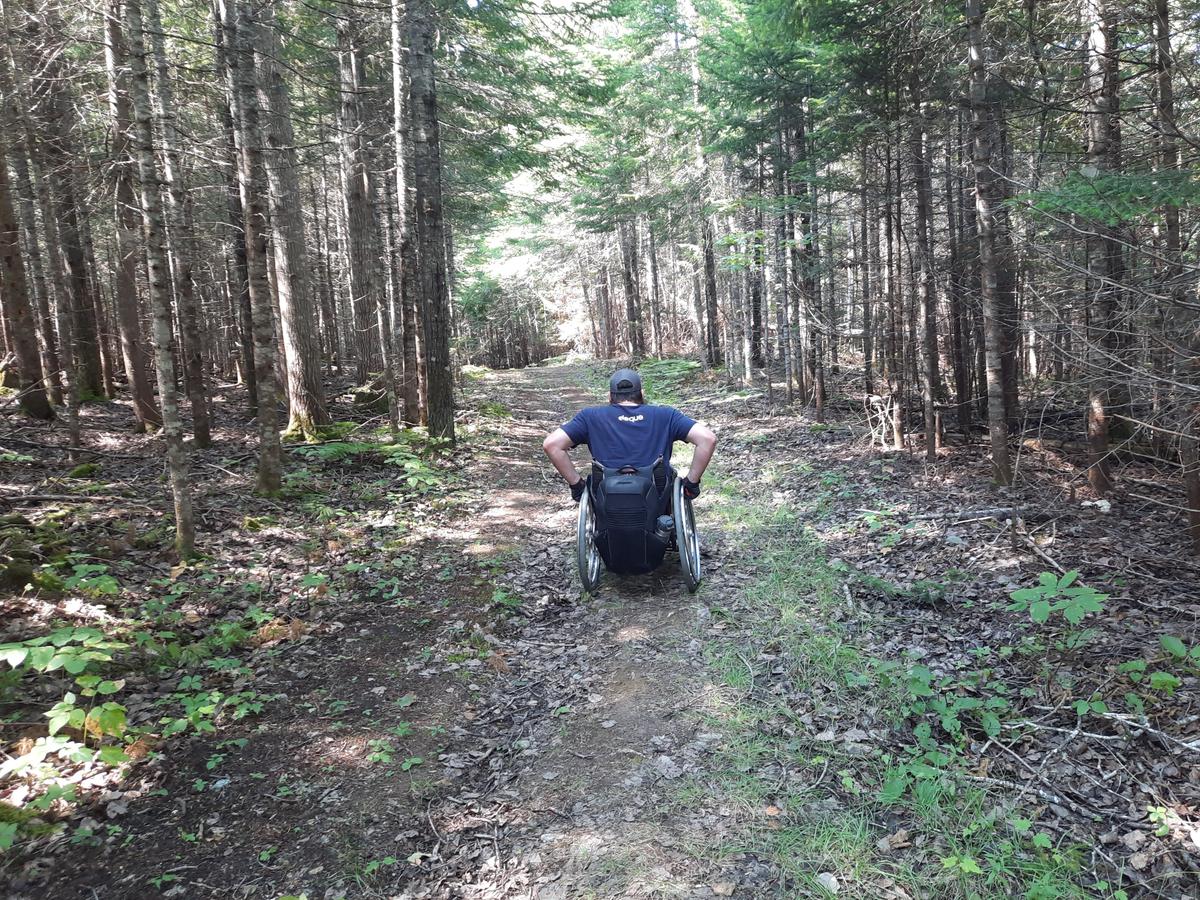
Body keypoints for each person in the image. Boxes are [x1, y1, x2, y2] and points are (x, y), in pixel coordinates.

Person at [542, 368, 717, 503]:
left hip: (606, 495)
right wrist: (691, 483)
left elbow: (552, 445)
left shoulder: (590, 417)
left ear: (610, 396)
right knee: (669, 476)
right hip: (657, 494)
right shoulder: (666, 415)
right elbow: (707, 439)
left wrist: (577, 485)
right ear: (641, 394)